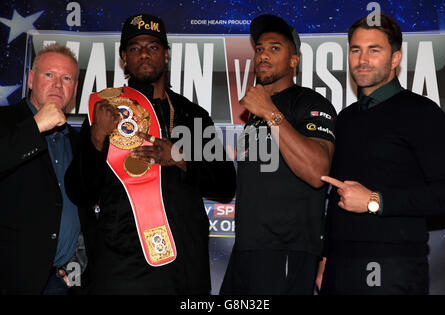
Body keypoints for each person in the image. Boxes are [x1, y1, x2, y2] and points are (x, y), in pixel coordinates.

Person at [64, 13, 236, 294]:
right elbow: (80, 192)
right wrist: (96, 137)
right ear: (124, 58)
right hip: (122, 266)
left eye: (153, 47)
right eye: (135, 48)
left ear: (166, 55)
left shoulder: (192, 115)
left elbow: (226, 184)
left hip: (184, 265)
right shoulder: (104, 111)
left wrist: (179, 158)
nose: (144, 54)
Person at [318, 13, 445, 295]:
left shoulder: (422, 114)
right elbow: (336, 191)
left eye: (374, 50)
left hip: (393, 266)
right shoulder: (345, 118)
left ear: (395, 58)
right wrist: (326, 257)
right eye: (356, 50)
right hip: (339, 267)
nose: (362, 59)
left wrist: (376, 201)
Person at [220, 14, 337, 295]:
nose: (262, 56)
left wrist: (270, 112)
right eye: (259, 49)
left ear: (293, 61)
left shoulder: (308, 102)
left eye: (274, 48)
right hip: (247, 249)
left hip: (287, 250)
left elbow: (317, 171)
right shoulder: (257, 113)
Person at [0, 43, 84, 294]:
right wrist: (35, 127)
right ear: (30, 79)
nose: (58, 84)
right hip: (10, 280)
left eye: (66, 78)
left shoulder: (78, 142)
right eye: (50, 75)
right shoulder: (4, 121)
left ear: (75, 89)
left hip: (61, 281)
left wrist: (79, 261)